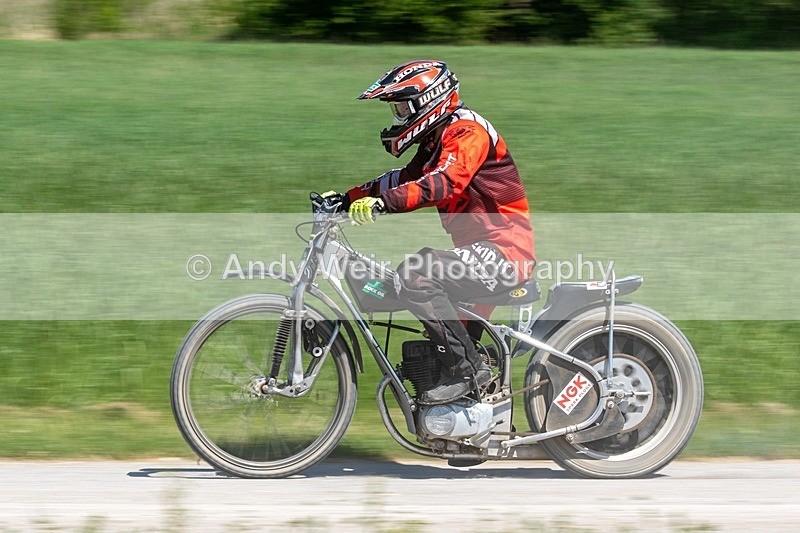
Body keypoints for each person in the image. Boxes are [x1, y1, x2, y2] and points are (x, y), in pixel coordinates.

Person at [326, 60, 535, 405]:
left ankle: (468, 372)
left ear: (428, 100)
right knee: (405, 283)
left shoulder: (468, 133)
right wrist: (346, 198)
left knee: (417, 274)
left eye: (401, 107)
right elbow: (403, 178)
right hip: (482, 251)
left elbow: (441, 184)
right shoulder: (437, 138)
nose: (397, 118)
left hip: (504, 250)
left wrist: (382, 205)